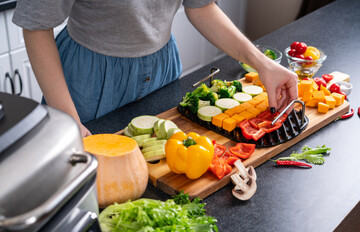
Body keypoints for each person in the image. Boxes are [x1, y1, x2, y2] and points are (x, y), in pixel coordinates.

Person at [12, 0, 298, 138]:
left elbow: (200, 6)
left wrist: (263, 64)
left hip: (162, 70)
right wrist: (69, 121)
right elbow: (36, 26)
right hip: (88, 80)